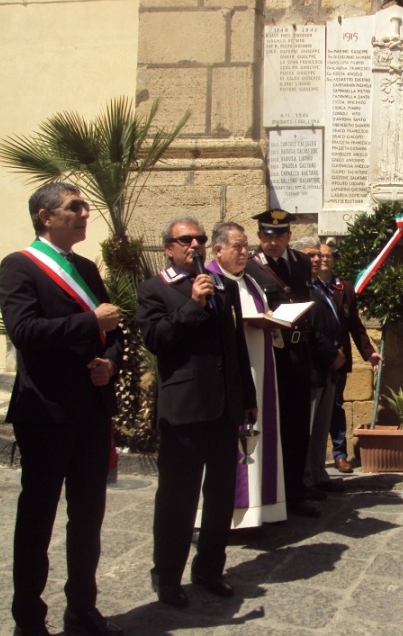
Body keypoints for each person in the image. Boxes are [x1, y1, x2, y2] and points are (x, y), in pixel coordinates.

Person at [0, 182, 124, 636]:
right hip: (46, 412)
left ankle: (82, 608)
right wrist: (89, 322)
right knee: (38, 520)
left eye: (84, 206)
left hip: (91, 408)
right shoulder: (19, 267)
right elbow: (25, 331)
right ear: (45, 216)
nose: (85, 214)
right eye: (75, 208)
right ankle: (28, 620)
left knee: (87, 518)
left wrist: (108, 364)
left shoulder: (88, 268)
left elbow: (116, 335)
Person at [137, 215, 258, 609]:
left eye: (200, 238)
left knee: (221, 496)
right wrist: (192, 305)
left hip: (224, 408)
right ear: (169, 248)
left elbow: (234, 345)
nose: (195, 244)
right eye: (185, 239)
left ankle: (210, 568)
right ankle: (167, 575)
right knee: (178, 499)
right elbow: (157, 339)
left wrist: (248, 396)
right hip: (185, 410)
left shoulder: (222, 287)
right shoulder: (154, 289)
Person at [203, 221, 287, 528]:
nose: (244, 252)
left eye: (245, 246)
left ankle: (260, 510)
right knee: (233, 446)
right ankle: (233, 517)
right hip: (233, 374)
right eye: (237, 246)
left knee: (259, 438)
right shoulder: (210, 280)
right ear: (217, 249)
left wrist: (273, 323)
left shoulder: (249, 281)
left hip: (262, 367)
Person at [243, 209, 324, 517]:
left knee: (297, 424)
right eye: (266, 235)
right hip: (272, 353)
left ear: (289, 236)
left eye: (278, 235)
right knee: (273, 425)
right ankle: (271, 496)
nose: (272, 241)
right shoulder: (251, 266)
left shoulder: (302, 263)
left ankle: (295, 492)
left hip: (299, 353)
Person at [318, 242, 382, 474]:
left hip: (339, 358)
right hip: (314, 358)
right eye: (320, 255)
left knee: (336, 406)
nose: (324, 259)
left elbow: (355, 325)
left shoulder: (344, 288)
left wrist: (368, 353)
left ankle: (339, 454)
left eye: (328, 256)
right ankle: (311, 459)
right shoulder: (307, 286)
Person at [293, 237, 346, 493]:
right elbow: (308, 328)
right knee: (307, 428)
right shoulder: (296, 289)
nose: (315, 259)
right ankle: (304, 478)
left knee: (321, 426)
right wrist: (331, 353)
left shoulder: (320, 288)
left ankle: (317, 473)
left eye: (317, 255)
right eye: (309, 255)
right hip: (311, 366)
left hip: (327, 368)